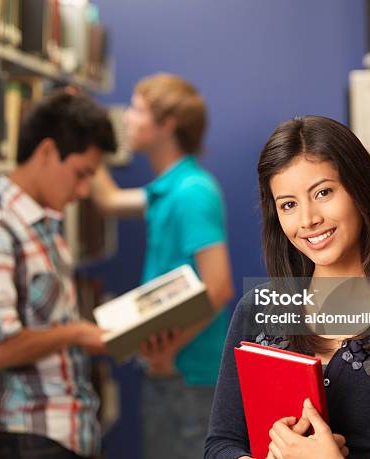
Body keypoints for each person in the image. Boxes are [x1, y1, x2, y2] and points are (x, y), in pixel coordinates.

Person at [205, 116, 370, 458]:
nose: (308, 219)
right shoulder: (259, 309)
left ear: (360, 189)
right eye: (288, 205)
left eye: (323, 192)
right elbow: (220, 444)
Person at [0, 90, 117, 459]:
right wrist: (77, 333)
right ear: (46, 152)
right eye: (80, 173)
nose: (83, 190)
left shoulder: (45, 224)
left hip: (71, 432)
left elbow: (48, 324)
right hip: (28, 438)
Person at [90, 73, 234, 459]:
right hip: (171, 372)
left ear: (166, 124)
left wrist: (167, 352)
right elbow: (107, 201)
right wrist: (86, 133)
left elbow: (219, 287)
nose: (127, 119)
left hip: (187, 375)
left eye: (137, 109)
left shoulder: (192, 193)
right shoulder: (167, 191)